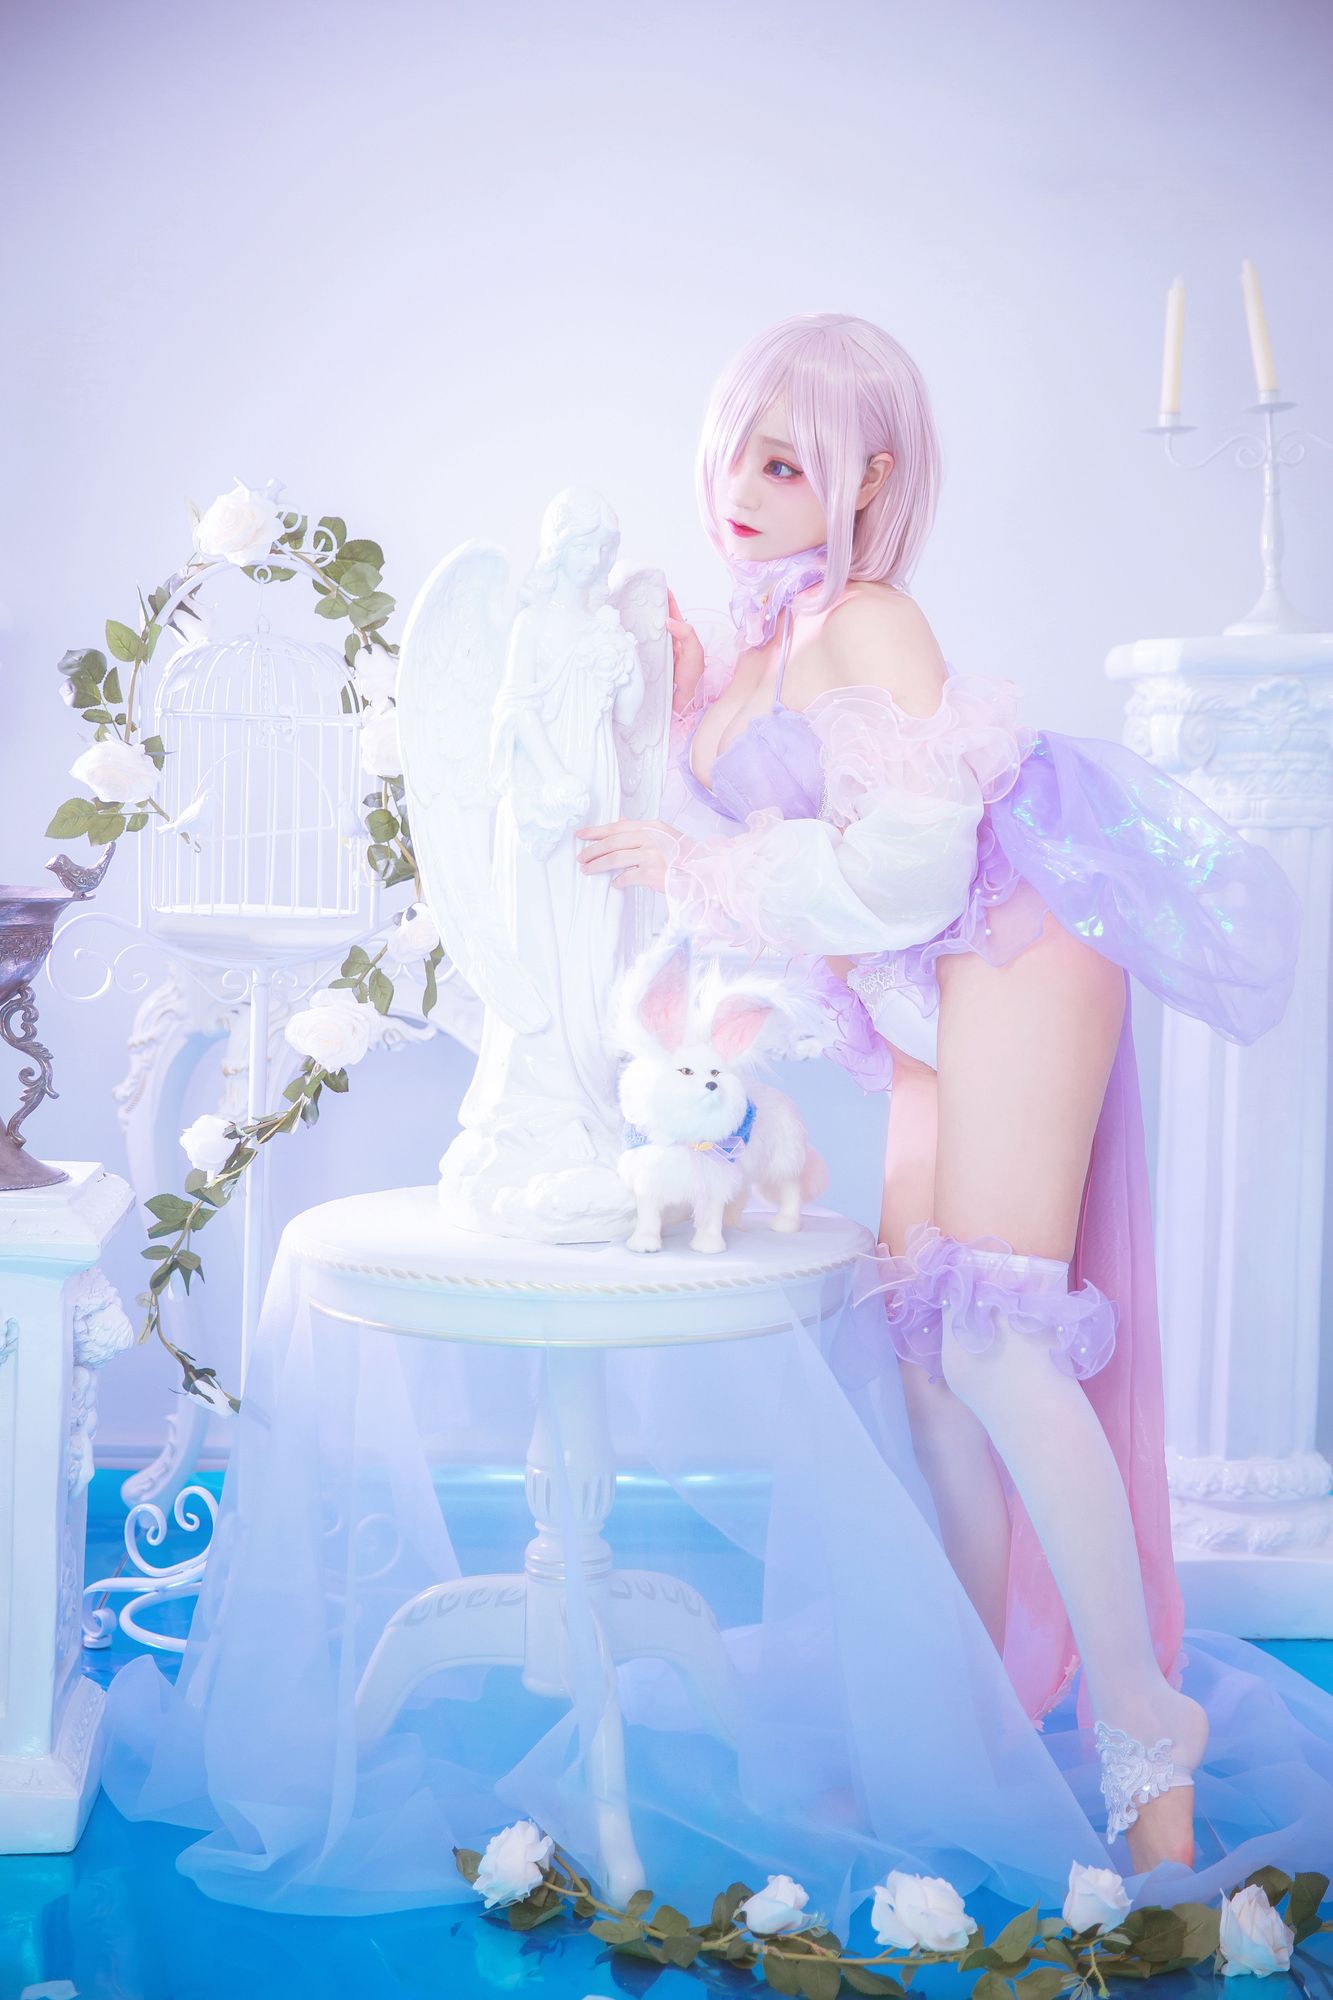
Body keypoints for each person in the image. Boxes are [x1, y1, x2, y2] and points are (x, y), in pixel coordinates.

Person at [574, 310, 1309, 1877]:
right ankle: (979, 1718)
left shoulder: (868, 620)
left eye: (785, 465)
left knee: (990, 1334)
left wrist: (699, 857)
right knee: (923, 1354)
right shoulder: (765, 638)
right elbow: (714, 838)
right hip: (927, 985)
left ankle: (1141, 1718)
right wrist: (677, 702)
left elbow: (907, 871)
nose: (739, 490)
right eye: (732, 453)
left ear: (867, 478)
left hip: (1012, 935)